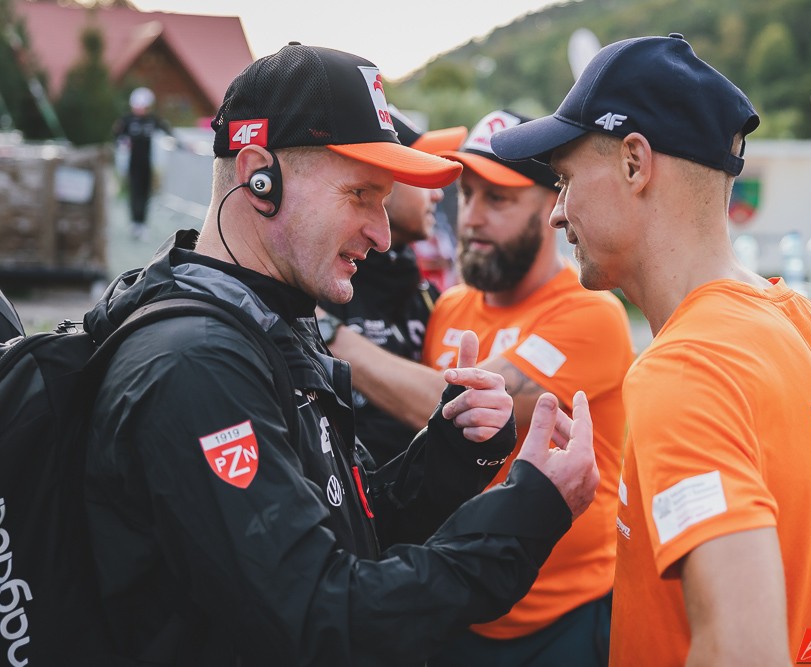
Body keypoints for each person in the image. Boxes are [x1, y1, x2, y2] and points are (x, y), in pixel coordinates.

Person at [83, 43, 599, 666]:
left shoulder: (266, 320)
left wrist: (452, 450)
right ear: (259, 177)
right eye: (360, 194)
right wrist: (530, 511)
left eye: (384, 201)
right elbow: (323, 619)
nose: (382, 234)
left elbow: (350, 521)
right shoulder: (195, 364)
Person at [491, 34, 811, 666]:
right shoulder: (801, 321)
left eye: (566, 180)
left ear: (634, 163)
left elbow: (744, 649)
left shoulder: (684, 370)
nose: (557, 214)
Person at [328, 109, 634, 666]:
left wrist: (326, 334)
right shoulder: (449, 307)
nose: (471, 218)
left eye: (498, 200)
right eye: (466, 196)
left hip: (560, 619)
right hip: (457, 605)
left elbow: (458, 410)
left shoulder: (591, 315)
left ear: (552, 204)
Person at [315, 106, 467, 466]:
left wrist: (327, 331)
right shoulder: (319, 282)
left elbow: (451, 410)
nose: (437, 193)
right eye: (420, 169)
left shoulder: (424, 294)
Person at [112, 86, 173, 240]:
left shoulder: (152, 120)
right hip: (132, 164)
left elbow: (169, 132)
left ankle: (143, 223)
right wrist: (123, 145)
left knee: (145, 194)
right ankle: (134, 222)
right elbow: (116, 137)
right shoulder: (126, 120)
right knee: (134, 193)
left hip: (147, 163)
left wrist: (184, 145)